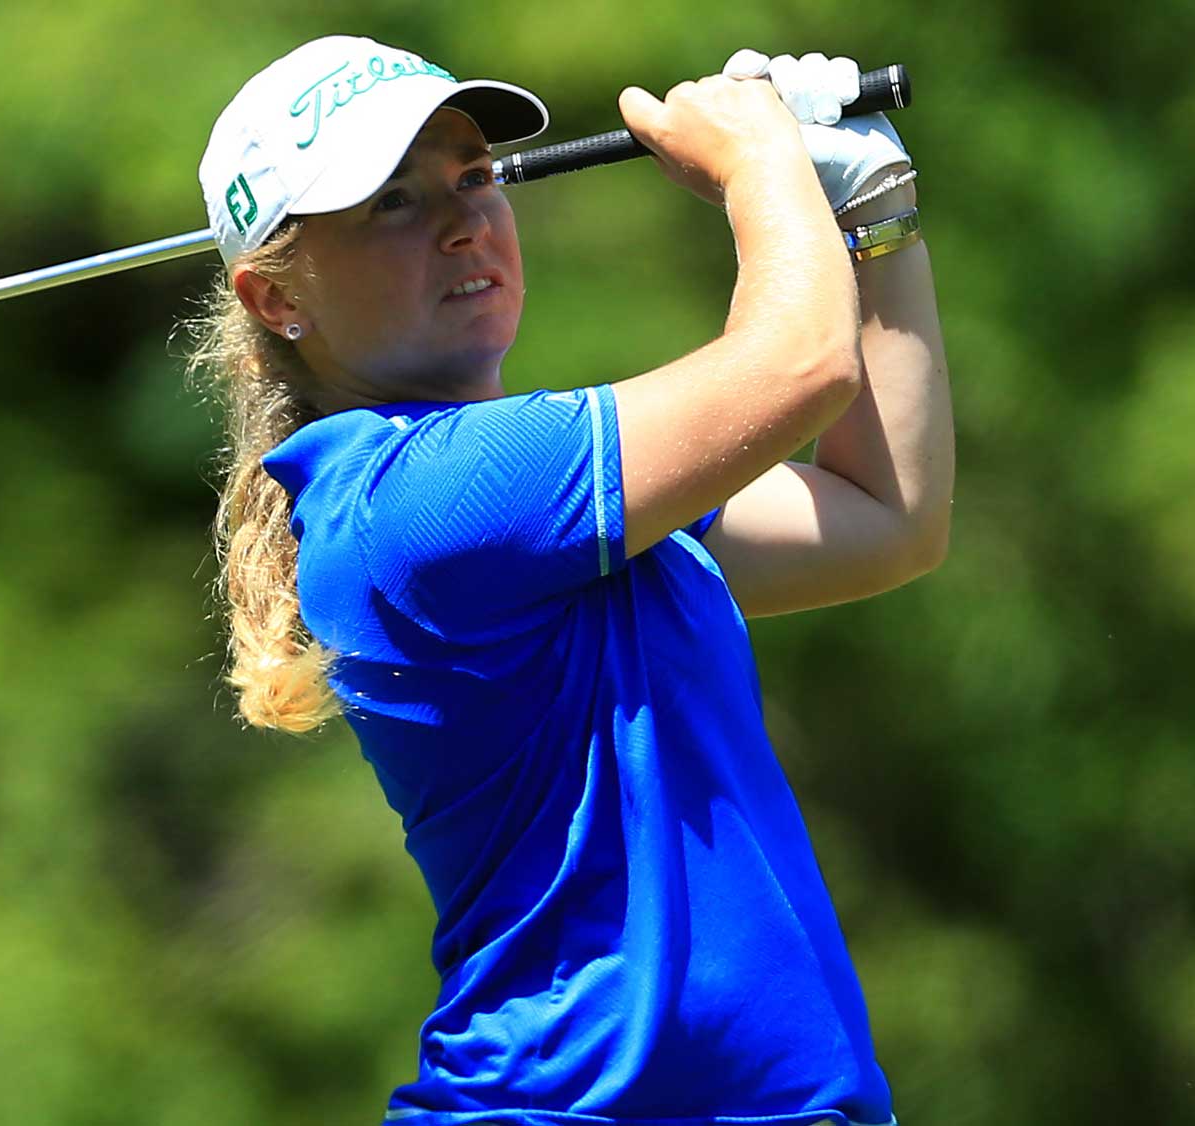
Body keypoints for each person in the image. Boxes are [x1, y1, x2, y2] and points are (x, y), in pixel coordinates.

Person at [183, 35, 952, 1126]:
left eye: (471, 177)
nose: (461, 222)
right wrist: (760, 161)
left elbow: (887, 521)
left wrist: (873, 211)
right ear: (274, 299)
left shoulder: (559, 498)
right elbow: (799, 364)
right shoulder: (413, 496)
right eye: (391, 203)